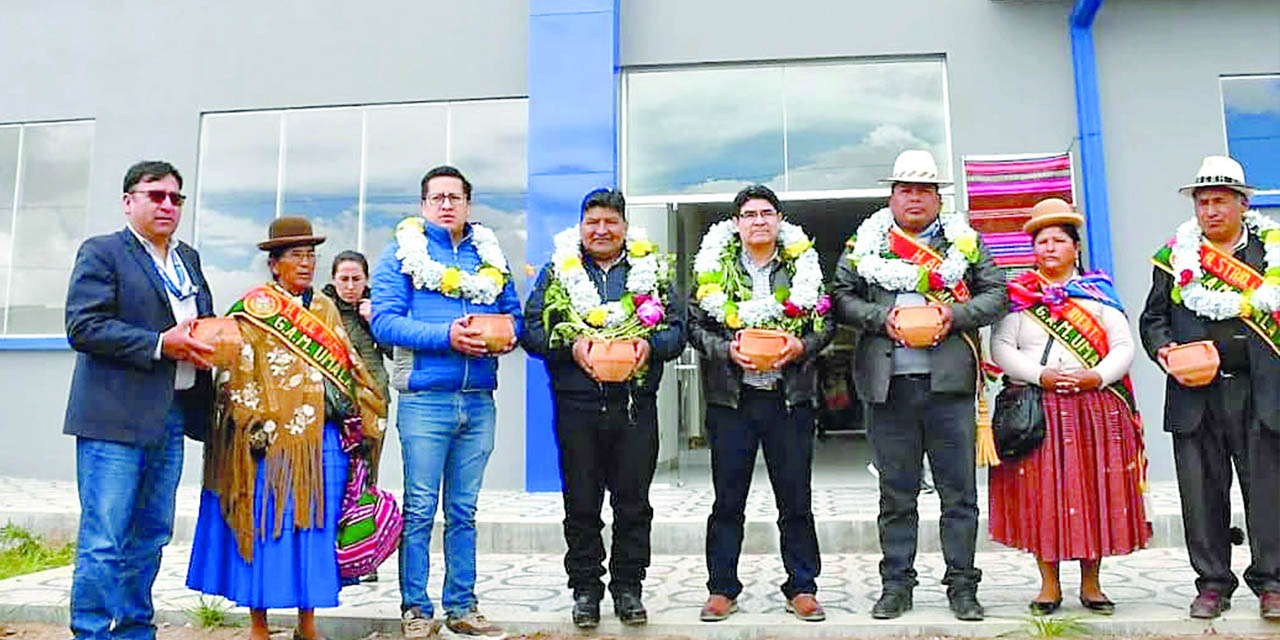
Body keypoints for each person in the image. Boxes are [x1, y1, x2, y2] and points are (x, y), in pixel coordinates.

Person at [186, 216, 385, 640]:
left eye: (312, 255)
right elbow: (237, 373)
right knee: (267, 525)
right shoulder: (255, 310)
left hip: (325, 440)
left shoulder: (325, 308)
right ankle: (259, 625)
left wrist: (363, 409)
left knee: (316, 526)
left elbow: (349, 364)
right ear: (274, 263)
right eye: (297, 255)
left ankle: (307, 624)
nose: (307, 263)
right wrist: (255, 420)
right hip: (271, 441)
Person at [832, 149, 1006, 621]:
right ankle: (896, 585)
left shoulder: (964, 242)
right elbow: (840, 298)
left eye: (924, 190)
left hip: (949, 387)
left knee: (959, 494)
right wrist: (879, 318)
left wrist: (954, 315)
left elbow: (997, 294)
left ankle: (963, 587)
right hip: (889, 387)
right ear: (892, 196)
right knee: (896, 494)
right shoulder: (866, 242)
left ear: (937, 198)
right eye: (906, 190)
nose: (914, 198)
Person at [64, 160, 216, 640]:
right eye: (156, 195)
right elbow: (83, 326)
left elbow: (201, 321)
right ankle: (90, 631)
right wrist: (159, 344)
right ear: (129, 201)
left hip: (170, 416)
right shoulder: (104, 252)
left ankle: (134, 629)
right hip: (114, 419)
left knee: (150, 536)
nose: (167, 205)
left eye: (176, 197)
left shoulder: (186, 258)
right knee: (105, 539)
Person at [521, 188, 685, 629]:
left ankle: (629, 588)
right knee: (581, 503)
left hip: (635, 408)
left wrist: (647, 348)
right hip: (577, 407)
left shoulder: (651, 272)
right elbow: (532, 331)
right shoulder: (559, 273)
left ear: (625, 227)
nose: (601, 230)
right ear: (580, 226)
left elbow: (677, 332)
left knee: (633, 504)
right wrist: (572, 346)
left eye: (611, 221)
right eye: (592, 221)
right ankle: (586, 590)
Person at [372, 165, 523, 638]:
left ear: (468, 204)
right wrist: (447, 335)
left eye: (454, 197)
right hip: (425, 400)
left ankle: (463, 606)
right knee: (419, 509)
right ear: (423, 205)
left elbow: (513, 317)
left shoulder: (489, 256)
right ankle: (416, 610)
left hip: (479, 400)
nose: (446, 204)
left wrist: (503, 335)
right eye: (436, 197)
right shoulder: (400, 255)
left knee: (464, 511)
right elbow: (386, 323)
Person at [989, 198, 1150, 616]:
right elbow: (1001, 346)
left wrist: (1095, 376)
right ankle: (1048, 585)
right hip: (1038, 409)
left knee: (1091, 491)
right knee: (1042, 492)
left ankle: (1092, 584)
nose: (1050, 248)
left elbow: (1122, 346)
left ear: (1075, 248)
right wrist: (1040, 375)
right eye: (1042, 241)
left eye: (1059, 240)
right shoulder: (1020, 294)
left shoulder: (1097, 293)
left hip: (1092, 408)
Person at [1139, 155, 1280, 621]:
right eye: (1203, 202)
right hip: (1197, 395)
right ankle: (1213, 584)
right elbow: (1153, 318)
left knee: (1268, 492)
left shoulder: (1272, 254)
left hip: (1261, 392)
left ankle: (1273, 583)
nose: (1211, 211)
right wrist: (1165, 353)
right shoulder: (1175, 257)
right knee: (1201, 495)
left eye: (1220, 201)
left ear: (1242, 205)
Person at [688, 184, 834, 623]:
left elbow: (825, 322)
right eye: (749, 214)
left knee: (796, 500)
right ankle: (722, 589)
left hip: (788, 400)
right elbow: (696, 326)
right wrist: (725, 350)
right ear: (736, 223)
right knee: (727, 501)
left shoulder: (801, 266)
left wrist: (800, 346)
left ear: (779, 220)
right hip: (732, 400)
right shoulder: (715, 264)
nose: (758, 221)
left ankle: (802, 587)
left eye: (766, 213)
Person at [324, 251, 392, 480]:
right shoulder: (321, 310)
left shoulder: (380, 307)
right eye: (344, 279)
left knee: (368, 474)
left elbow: (395, 353)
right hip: (333, 404)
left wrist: (375, 321)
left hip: (373, 399)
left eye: (357, 279)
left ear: (366, 279)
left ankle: (366, 514)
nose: (350, 286)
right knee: (334, 474)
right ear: (334, 280)